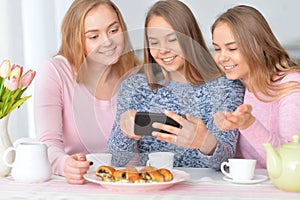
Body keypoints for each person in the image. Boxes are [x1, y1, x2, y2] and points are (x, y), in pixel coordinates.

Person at [108, 0, 245, 170]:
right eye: (154, 42)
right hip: (155, 187)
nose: (163, 50)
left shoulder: (227, 87)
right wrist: (125, 132)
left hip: (206, 190)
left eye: (171, 39)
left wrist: (204, 142)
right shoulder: (135, 87)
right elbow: (116, 160)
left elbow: (226, 162)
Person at [34, 0, 139, 184]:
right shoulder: (55, 71)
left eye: (114, 31)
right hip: (80, 184)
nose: (108, 42)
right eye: (93, 36)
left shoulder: (135, 72)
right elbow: (48, 142)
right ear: (76, 40)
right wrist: (65, 164)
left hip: (129, 183)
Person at [212, 5, 300, 168]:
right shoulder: (233, 86)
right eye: (217, 49)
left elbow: (290, 161)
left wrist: (248, 124)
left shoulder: (290, 85)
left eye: (232, 48)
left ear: (257, 46)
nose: (222, 57)